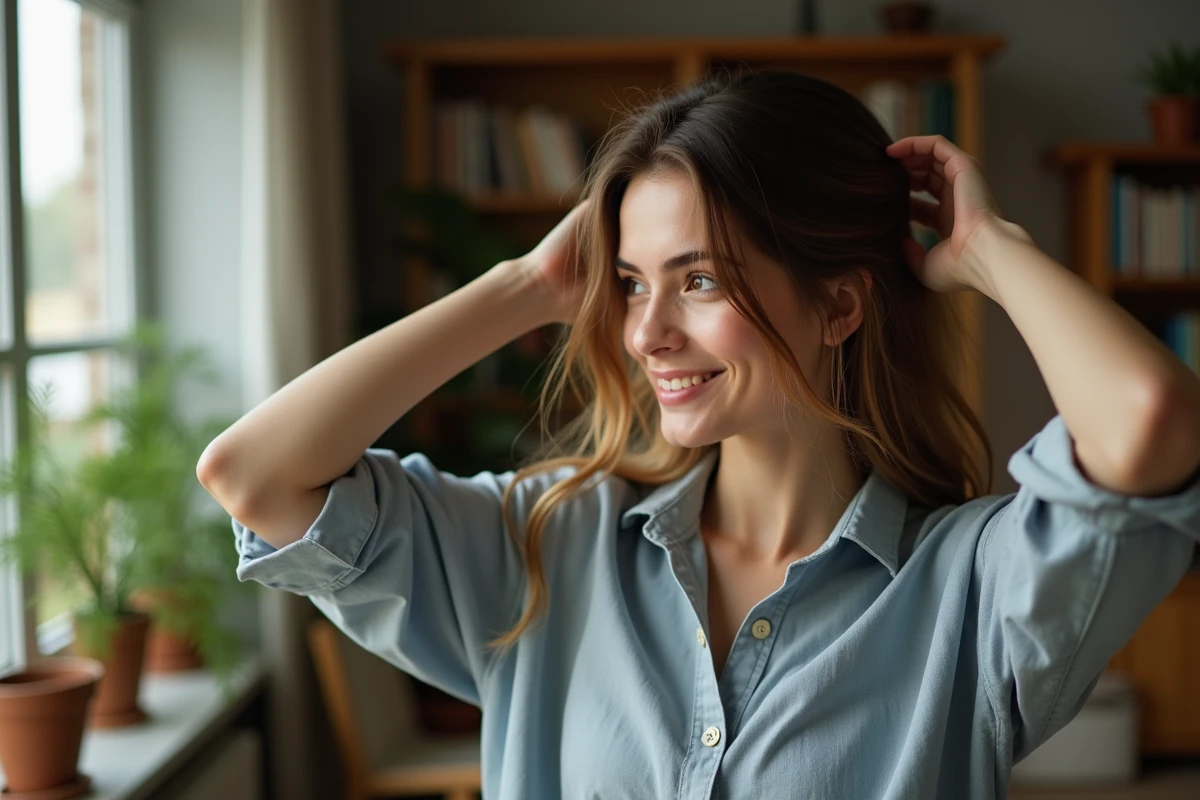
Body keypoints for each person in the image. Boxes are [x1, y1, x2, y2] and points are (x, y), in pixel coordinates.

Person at [197, 69, 1200, 799]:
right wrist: (527, 288)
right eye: (632, 281)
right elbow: (255, 475)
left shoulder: (973, 593)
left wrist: (990, 251)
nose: (645, 330)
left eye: (701, 279)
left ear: (840, 305)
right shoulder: (548, 546)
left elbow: (1150, 416)